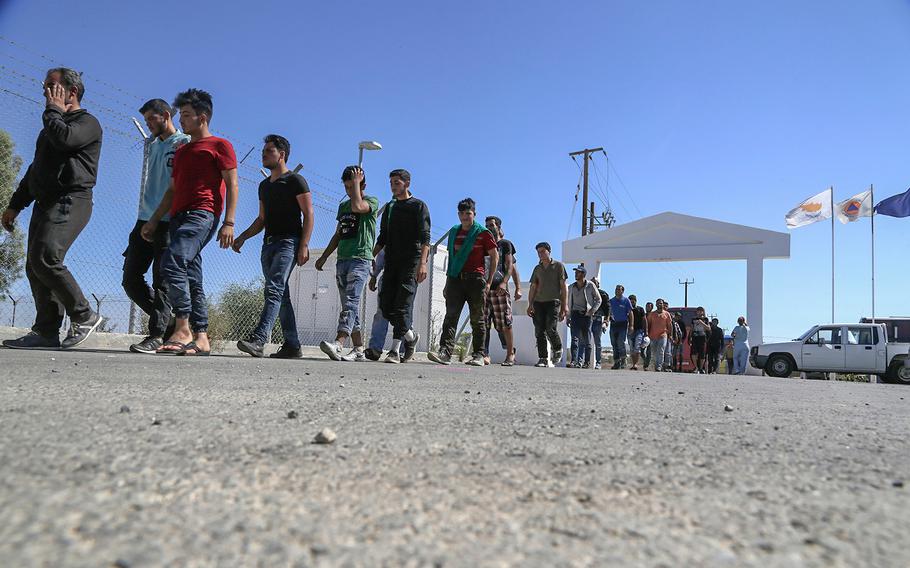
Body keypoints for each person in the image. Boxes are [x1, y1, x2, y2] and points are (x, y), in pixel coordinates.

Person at [2, 68, 105, 350]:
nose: (45, 91)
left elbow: (66, 139)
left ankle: (84, 315)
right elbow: (36, 170)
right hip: (44, 202)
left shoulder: (87, 122)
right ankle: (46, 332)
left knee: (46, 255)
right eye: (45, 87)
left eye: (52, 86)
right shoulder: (51, 126)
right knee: (35, 266)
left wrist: (52, 111)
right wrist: (14, 205)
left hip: (71, 199)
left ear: (71, 92)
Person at [142, 88, 238, 356]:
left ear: (202, 117)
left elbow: (232, 183)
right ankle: (202, 336)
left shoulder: (220, 146)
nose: (180, 119)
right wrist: (152, 220)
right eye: (180, 114)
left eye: (185, 115)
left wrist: (228, 222)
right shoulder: (182, 151)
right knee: (192, 276)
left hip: (202, 213)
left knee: (171, 262)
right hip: (177, 216)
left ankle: (182, 327)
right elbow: (172, 190)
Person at [232, 135, 313, 358]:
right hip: (268, 245)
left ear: (282, 155)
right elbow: (261, 219)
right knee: (281, 295)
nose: (264, 154)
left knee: (274, 288)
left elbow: (308, 213)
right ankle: (292, 345)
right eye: (263, 151)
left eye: (269, 151)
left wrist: (304, 245)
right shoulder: (264, 186)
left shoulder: (296, 180)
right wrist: (243, 237)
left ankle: (259, 340)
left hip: (289, 243)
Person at [122, 99, 189, 354]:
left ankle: (157, 334)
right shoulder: (152, 145)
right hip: (144, 218)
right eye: (146, 120)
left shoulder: (182, 144)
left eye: (152, 119)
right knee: (130, 278)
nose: (149, 124)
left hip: (168, 221)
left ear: (165, 116)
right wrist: (146, 218)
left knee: (162, 280)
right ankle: (170, 322)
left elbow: (176, 186)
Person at [315, 166, 379, 362]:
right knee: (349, 306)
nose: (350, 191)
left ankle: (339, 343)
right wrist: (325, 256)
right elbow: (338, 234)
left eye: (354, 186)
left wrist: (357, 188)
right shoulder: (343, 207)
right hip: (342, 259)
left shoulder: (371, 202)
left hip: (360, 259)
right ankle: (359, 349)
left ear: (362, 185)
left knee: (351, 302)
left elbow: (358, 207)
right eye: (347, 187)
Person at [428, 198, 498, 366]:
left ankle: (479, 354)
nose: (465, 217)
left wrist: (488, 282)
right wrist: (447, 283)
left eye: (468, 213)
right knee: (450, 317)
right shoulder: (454, 231)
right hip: (455, 280)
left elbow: (494, 257)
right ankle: (445, 353)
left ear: (474, 214)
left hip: (475, 280)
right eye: (462, 213)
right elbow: (452, 259)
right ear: (458, 214)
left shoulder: (483, 233)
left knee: (477, 319)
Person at [373, 169, 430, 364]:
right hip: (392, 262)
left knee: (402, 306)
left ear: (407, 184)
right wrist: (371, 256)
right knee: (387, 306)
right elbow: (383, 237)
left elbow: (425, 239)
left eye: (396, 183)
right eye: (391, 183)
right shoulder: (389, 208)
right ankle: (411, 337)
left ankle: (394, 351)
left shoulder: (418, 206)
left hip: (411, 263)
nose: (393, 186)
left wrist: (422, 263)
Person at [481, 215, 517, 366]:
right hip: (484, 289)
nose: (489, 227)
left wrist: (504, 282)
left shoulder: (505, 244)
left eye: (492, 225)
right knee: (483, 324)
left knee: (504, 324)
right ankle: (484, 354)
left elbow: (510, 266)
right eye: (487, 225)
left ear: (499, 228)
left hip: (499, 290)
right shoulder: (483, 245)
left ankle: (510, 354)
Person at [526, 242, 568, 367]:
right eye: (538, 252)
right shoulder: (537, 269)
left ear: (549, 251)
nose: (540, 254)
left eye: (543, 251)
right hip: (538, 303)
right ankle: (543, 358)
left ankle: (557, 348)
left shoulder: (559, 266)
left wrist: (564, 306)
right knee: (539, 331)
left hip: (553, 302)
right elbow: (533, 287)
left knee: (550, 328)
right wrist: (530, 304)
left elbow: (563, 287)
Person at [364, 249, 403, 361]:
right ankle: (375, 349)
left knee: (402, 313)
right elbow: (381, 256)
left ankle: (403, 349)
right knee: (381, 313)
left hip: (404, 277)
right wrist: (374, 276)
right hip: (387, 278)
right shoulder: (388, 234)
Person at [567, 266, 601, 368]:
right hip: (575, 315)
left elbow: (598, 300)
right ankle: (574, 361)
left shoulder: (590, 285)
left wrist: (592, 310)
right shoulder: (571, 287)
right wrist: (568, 316)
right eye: (575, 272)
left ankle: (586, 362)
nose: (576, 274)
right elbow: (568, 302)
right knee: (574, 339)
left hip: (586, 315)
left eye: (578, 272)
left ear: (583, 274)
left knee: (586, 340)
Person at [584, 277, 610, 369]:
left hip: (598, 319)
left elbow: (608, 309)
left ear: (598, 284)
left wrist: (606, 321)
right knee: (586, 341)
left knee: (597, 342)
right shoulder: (586, 292)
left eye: (596, 283)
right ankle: (586, 362)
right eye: (592, 282)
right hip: (588, 319)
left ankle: (598, 362)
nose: (594, 284)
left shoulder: (603, 294)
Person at [608, 285, 634, 369]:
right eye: (616, 289)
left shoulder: (626, 301)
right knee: (613, 343)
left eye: (619, 290)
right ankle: (616, 362)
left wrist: (631, 325)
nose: (617, 291)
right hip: (613, 324)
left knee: (620, 341)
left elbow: (630, 313)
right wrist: (606, 321)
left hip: (623, 324)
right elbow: (608, 312)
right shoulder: (611, 301)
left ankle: (623, 359)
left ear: (622, 291)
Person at [646, 299, 673, 372]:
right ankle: (655, 365)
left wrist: (670, 335)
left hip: (663, 335)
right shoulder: (652, 314)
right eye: (658, 303)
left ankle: (659, 366)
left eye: (661, 303)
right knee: (654, 352)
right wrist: (647, 333)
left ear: (663, 304)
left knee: (661, 350)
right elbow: (648, 324)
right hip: (653, 336)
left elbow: (669, 325)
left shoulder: (667, 314)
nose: (659, 305)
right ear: (656, 305)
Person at [628, 294, 648, 370]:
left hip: (639, 331)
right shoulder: (628, 309)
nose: (632, 302)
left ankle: (635, 364)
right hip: (630, 331)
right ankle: (633, 364)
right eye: (630, 301)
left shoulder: (640, 309)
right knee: (632, 349)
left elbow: (644, 320)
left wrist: (646, 331)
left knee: (637, 347)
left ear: (635, 301)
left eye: (633, 301)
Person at [688, 307, 711, 373]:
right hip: (695, 337)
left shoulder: (706, 319)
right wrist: (689, 337)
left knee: (702, 354)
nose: (700, 312)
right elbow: (691, 328)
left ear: (703, 312)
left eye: (701, 311)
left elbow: (708, 328)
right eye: (698, 311)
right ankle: (696, 367)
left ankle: (701, 368)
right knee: (693, 353)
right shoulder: (693, 319)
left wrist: (701, 322)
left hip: (702, 337)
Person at [642, 301, 654, 369]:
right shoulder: (644, 315)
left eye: (649, 307)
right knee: (641, 351)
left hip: (652, 335)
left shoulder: (653, 316)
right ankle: (645, 361)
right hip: (644, 335)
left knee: (649, 351)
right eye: (646, 306)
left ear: (652, 308)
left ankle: (646, 365)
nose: (647, 308)